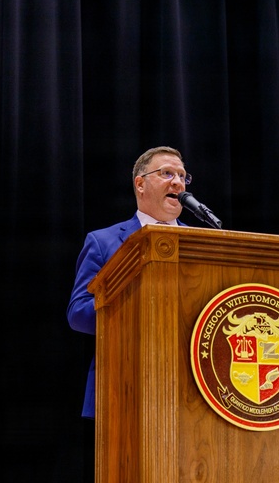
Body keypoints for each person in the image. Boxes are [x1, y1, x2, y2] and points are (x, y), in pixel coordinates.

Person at [67, 145, 189, 418]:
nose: (178, 182)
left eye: (182, 176)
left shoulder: (202, 244)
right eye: (167, 173)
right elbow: (78, 314)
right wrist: (134, 306)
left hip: (191, 386)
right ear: (140, 183)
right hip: (123, 383)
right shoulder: (104, 242)